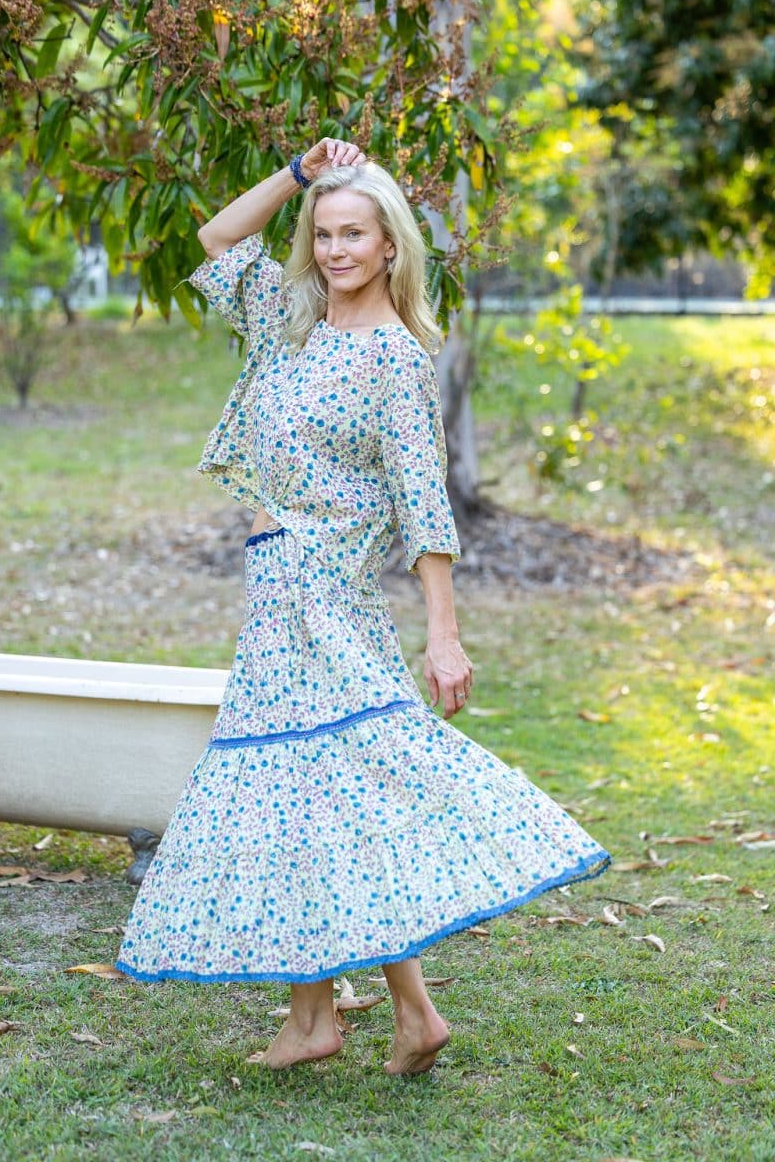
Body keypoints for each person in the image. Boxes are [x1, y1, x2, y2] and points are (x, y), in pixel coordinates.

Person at [115, 138, 611, 1074]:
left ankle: (341, 1018)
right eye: (324, 234)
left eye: (355, 234)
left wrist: (445, 636)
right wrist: (299, 176)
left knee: (332, 781)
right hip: (276, 587)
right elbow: (219, 236)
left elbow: (426, 502)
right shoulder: (285, 322)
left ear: (391, 248)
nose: (336, 248)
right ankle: (348, 1019)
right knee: (314, 788)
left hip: (329, 593)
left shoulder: (394, 357)